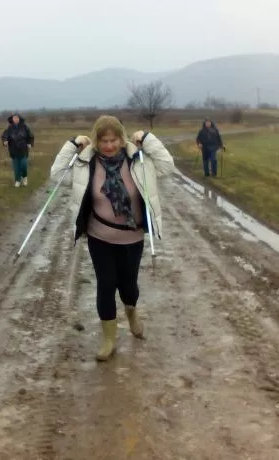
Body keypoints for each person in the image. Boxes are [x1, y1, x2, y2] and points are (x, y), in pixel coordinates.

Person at [50, 115, 175, 361]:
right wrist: (72, 145)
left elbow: (167, 166)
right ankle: (109, 339)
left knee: (128, 286)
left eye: (113, 140)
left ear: (122, 138)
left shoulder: (139, 161)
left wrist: (148, 139)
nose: (109, 146)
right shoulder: (86, 164)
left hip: (132, 238)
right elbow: (57, 175)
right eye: (103, 141)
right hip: (100, 237)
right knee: (106, 284)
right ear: (96, 141)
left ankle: (131, 312)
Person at [1, 112, 34, 187]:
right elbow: (4, 135)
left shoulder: (24, 127)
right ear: (12, 119)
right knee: (16, 167)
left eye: (16, 118)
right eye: (14, 118)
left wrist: (29, 143)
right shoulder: (9, 128)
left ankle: (24, 177)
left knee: (23, 165)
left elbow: (30, 135)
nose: (15, 119)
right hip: (13, 150)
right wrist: (5, 141)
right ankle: (17, 180)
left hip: (23, 149)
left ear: (19, 119)